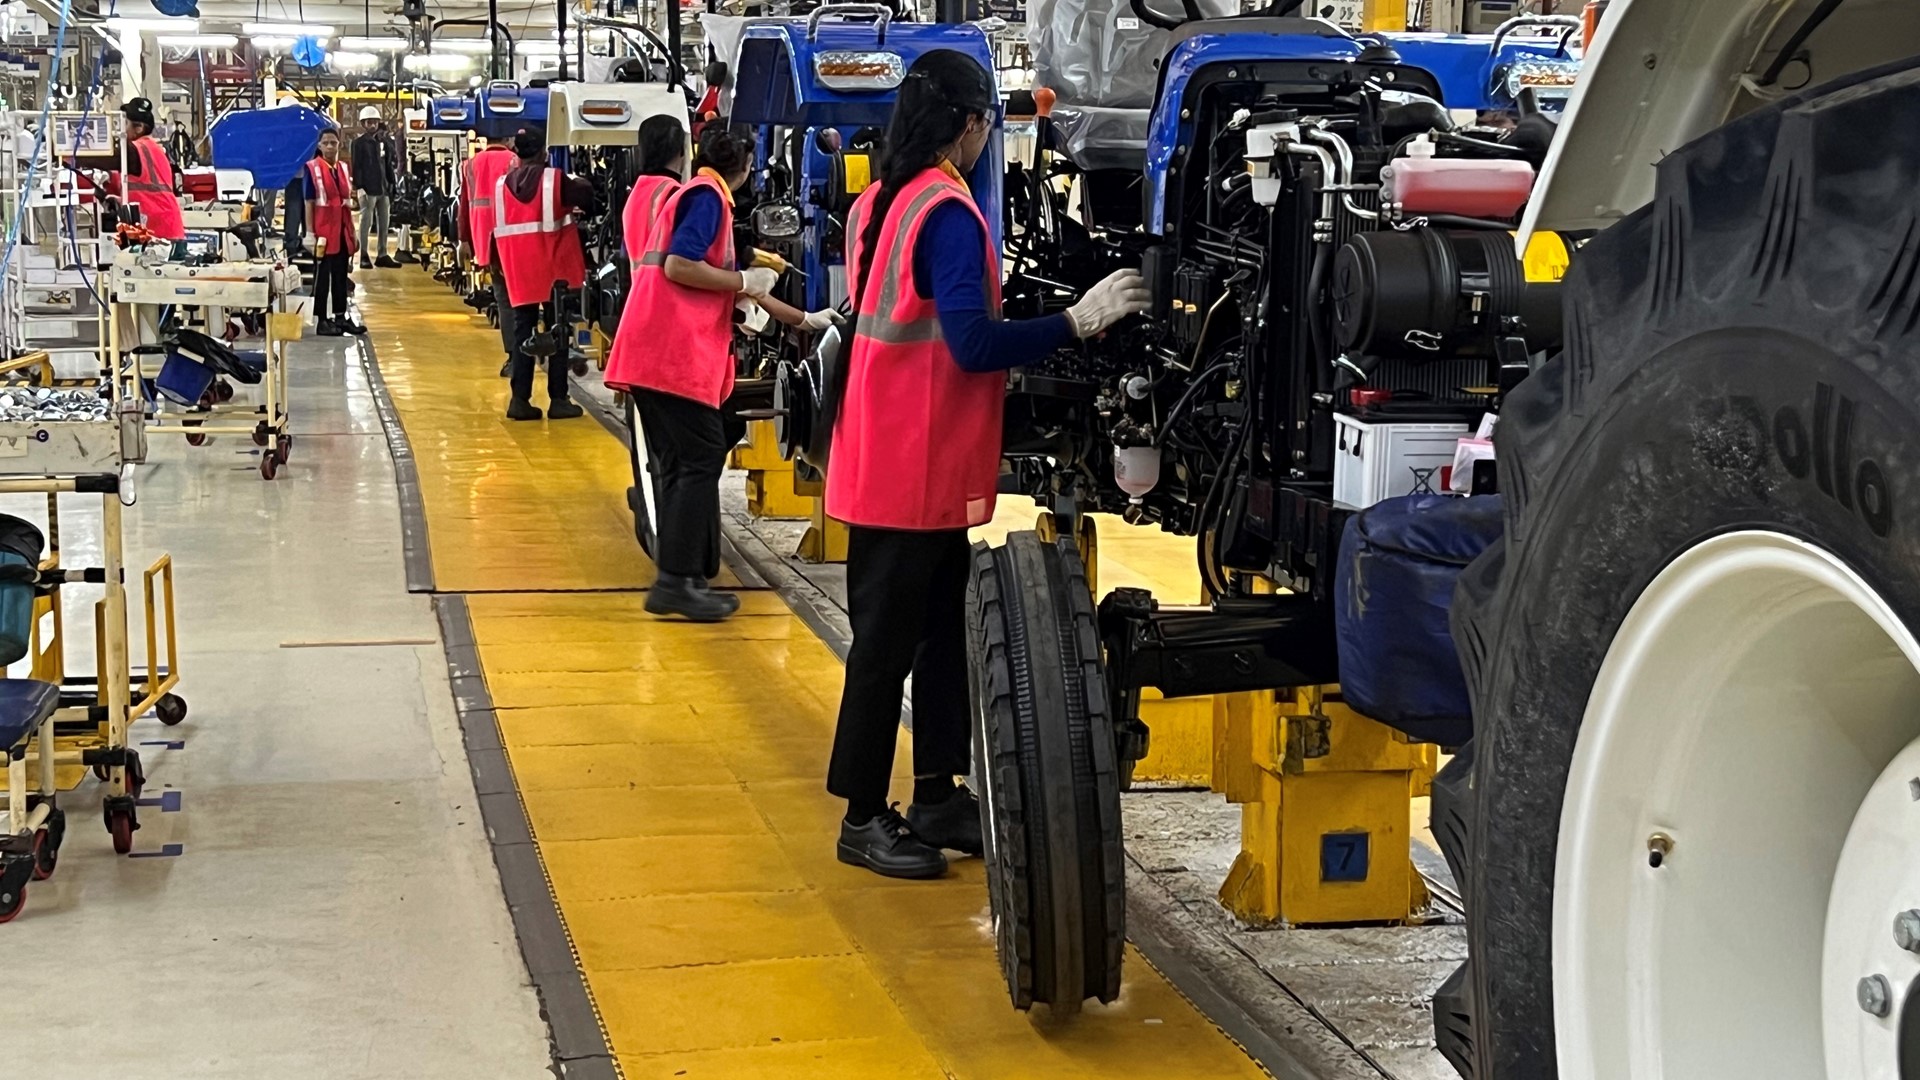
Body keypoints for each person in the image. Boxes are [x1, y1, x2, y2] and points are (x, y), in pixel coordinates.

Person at [823, 50, 1149, 879]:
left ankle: (937, 794)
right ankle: (862, 818)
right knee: (886, 646)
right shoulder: (950, 212)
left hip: (887, 453)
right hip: (913, 466)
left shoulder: (877, 203)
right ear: (971, 127)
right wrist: (1077, 323)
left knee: (937, 636)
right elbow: (970, 344)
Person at [604, 125, 839, 622]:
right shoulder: (707, 197)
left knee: (680, 463)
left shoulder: (698, 197)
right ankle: (675, 581)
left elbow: (734, 285)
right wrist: (742, 278)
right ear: (747, 168)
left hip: (655, 353)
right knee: (700, 457)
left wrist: (803, 319)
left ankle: (683, 576)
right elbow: (678, 267)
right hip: (671, 355)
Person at [492, 125, 593, 421]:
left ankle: (519, 400)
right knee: (557, 331)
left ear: (517, 152)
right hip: (553, 270)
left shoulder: (501, 186)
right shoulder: (555, 180)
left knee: (523, 331)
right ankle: (558, 399)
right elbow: (586, 195)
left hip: (518, 271)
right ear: (543, 152)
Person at [458, 131, 518, 374]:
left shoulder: (470, 165)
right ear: (508, 139)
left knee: (503, 299)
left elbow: (464, 206)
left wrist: (463, 240)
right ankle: (526, 352)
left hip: (487, 240)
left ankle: (513, 357)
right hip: (516, 237)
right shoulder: (515, 160)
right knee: (521, 299)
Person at [304, 128, 366, 337]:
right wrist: (310, 233)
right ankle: (322, 321)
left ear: (339, 145)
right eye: (326, 143)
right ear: (319, 146)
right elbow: (309, 203)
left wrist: (353, 233)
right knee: (322, 279)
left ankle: (340, 318)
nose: (330, 146)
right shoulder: (312, 169)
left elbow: (347, 203)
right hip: (323, 232)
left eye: (334, 142)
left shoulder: (343, 169)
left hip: (341, 230)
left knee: (341, 277)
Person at [109, 98, 184, 241]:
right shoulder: (152, 149)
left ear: (139, 128)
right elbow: (144, 190)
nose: (121, 129)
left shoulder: (137, 150)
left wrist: (67, 153)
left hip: (159, 229)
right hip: (163, 225)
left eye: (125, 124)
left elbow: (105, 158)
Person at [351, 106, 400, 268]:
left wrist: (392, 184)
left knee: (384, 223)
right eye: (368, 122)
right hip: (367, 189)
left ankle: (382, 253)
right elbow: (356, 165)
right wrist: (359, 187)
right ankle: (364, 254)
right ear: (363, 123)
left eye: (374, 122)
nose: (372, 125)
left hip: (383, 188)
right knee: (366, 222)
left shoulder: (384, 142)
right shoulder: (358, 143)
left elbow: (389, 164)